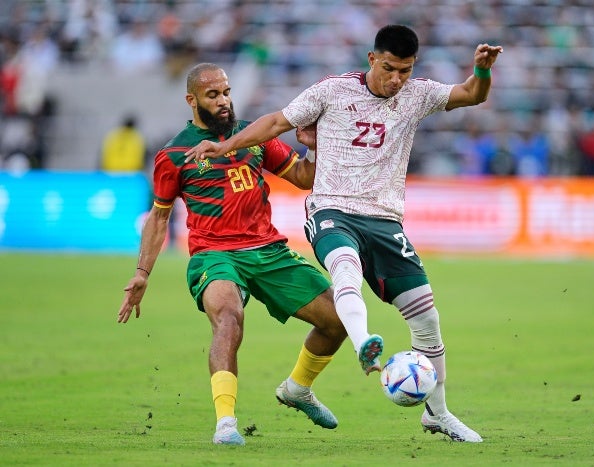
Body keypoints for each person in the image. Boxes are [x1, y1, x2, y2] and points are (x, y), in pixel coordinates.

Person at [185, 25, 503, 443]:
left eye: (405, 71)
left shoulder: (417, 94)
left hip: (386, 221)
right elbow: (277, 122)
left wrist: (481, 71)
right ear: (372, 59)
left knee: (427, 318)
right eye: (389, 68)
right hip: (332, 208)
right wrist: (226, 148)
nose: (396, 79)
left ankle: (437, 413)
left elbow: (471, 95)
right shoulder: (332, 91)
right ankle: (363, 342)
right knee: (345, 269)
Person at [117, 63, 347, 446]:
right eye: (213, 95)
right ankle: (226, 422)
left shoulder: (253, 136)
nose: (224, 101)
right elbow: (159, 218)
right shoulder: (174, 154)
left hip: (268, 250)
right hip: (215, 254)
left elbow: (304, 177)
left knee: (339, 320)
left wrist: (315, 143)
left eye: (226, 92)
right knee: (228, 317)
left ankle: (298, 388)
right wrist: (142, 273)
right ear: (191, 100)